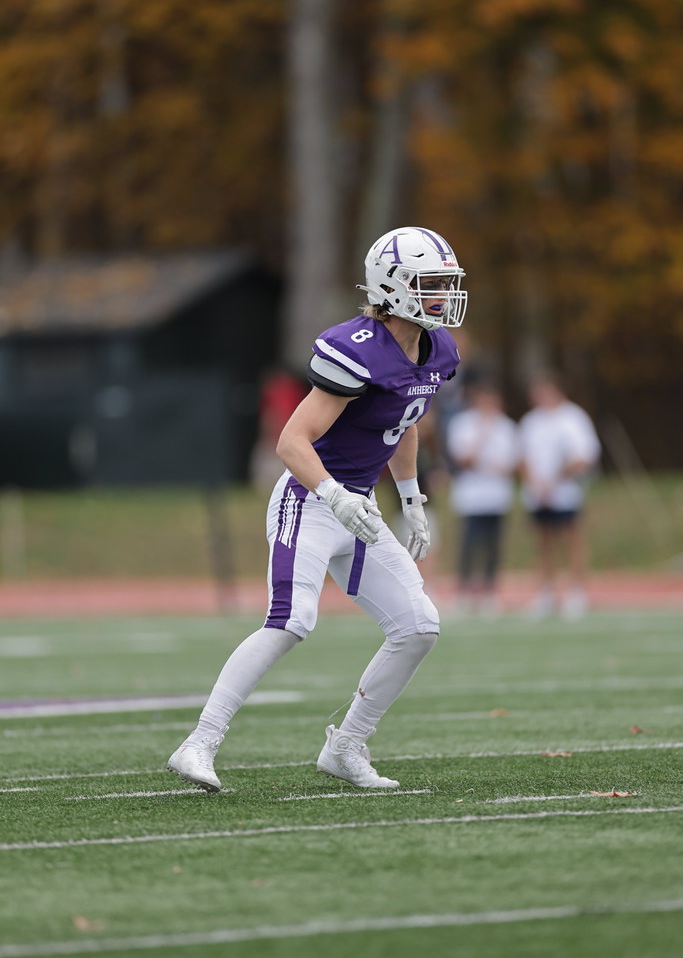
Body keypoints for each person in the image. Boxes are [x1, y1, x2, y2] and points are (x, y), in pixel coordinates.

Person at [167, 226, 468, 792]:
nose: (442, 295)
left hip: (360, 510)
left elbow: (406, 422)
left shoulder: (436, 349)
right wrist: (333, 494)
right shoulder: (357, 348)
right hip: (311, 498)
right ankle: (199, 743)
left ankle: (347, 745)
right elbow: (291, 442)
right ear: (394, 285)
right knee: (292, 620)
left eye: (446, 283)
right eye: (431, 284)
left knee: (419, 626)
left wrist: (410, 499)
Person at [517, 371, 601, 619]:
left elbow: (584, 456)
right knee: (543, 543)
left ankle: (577, 591)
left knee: (572, 540)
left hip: (565, 492)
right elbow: (522, 457)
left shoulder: (573, 418)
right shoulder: (531, 421)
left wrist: (556, 479)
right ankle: (546, 591)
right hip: (538, 494)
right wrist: (535, 483)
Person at [446, 381, 518, 616]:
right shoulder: (463, 424)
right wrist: (483, 435)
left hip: (497, 496)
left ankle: (489, 592)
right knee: (469, 544)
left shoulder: (506, 426)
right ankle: (465, 592)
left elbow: (512, 463)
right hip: (471, 498)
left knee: (493, 546)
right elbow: (464, 459)